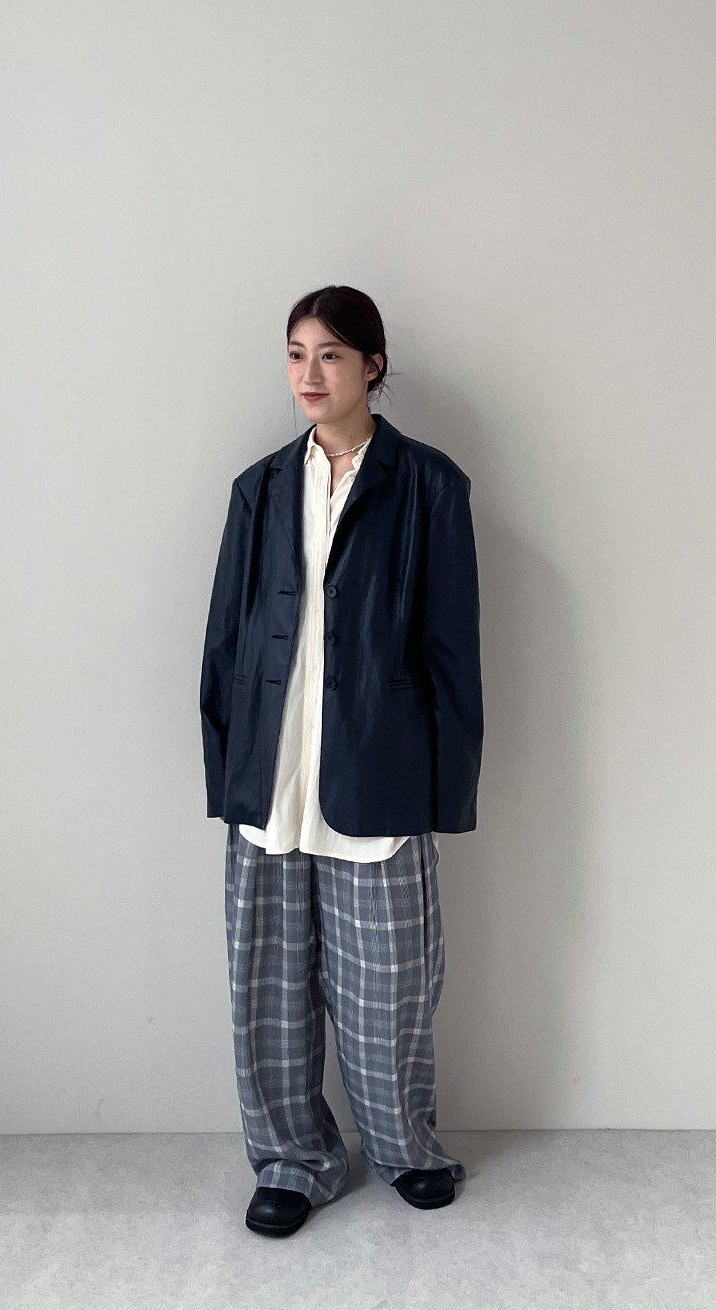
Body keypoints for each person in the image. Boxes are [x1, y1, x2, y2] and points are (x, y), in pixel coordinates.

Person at [200, 285, 483, 1237]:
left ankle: (405, 1146)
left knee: (390, 985)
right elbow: (226, 643)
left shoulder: (430, 485)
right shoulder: (259, 489)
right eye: (295, 354)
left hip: (379, 769)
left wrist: (446, 791)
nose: (309, 373)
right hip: (271, 775)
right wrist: (229, 772)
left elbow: (452, 649)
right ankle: (292, 1159)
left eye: (329, 354)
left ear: (372, 365)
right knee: (269, 988)